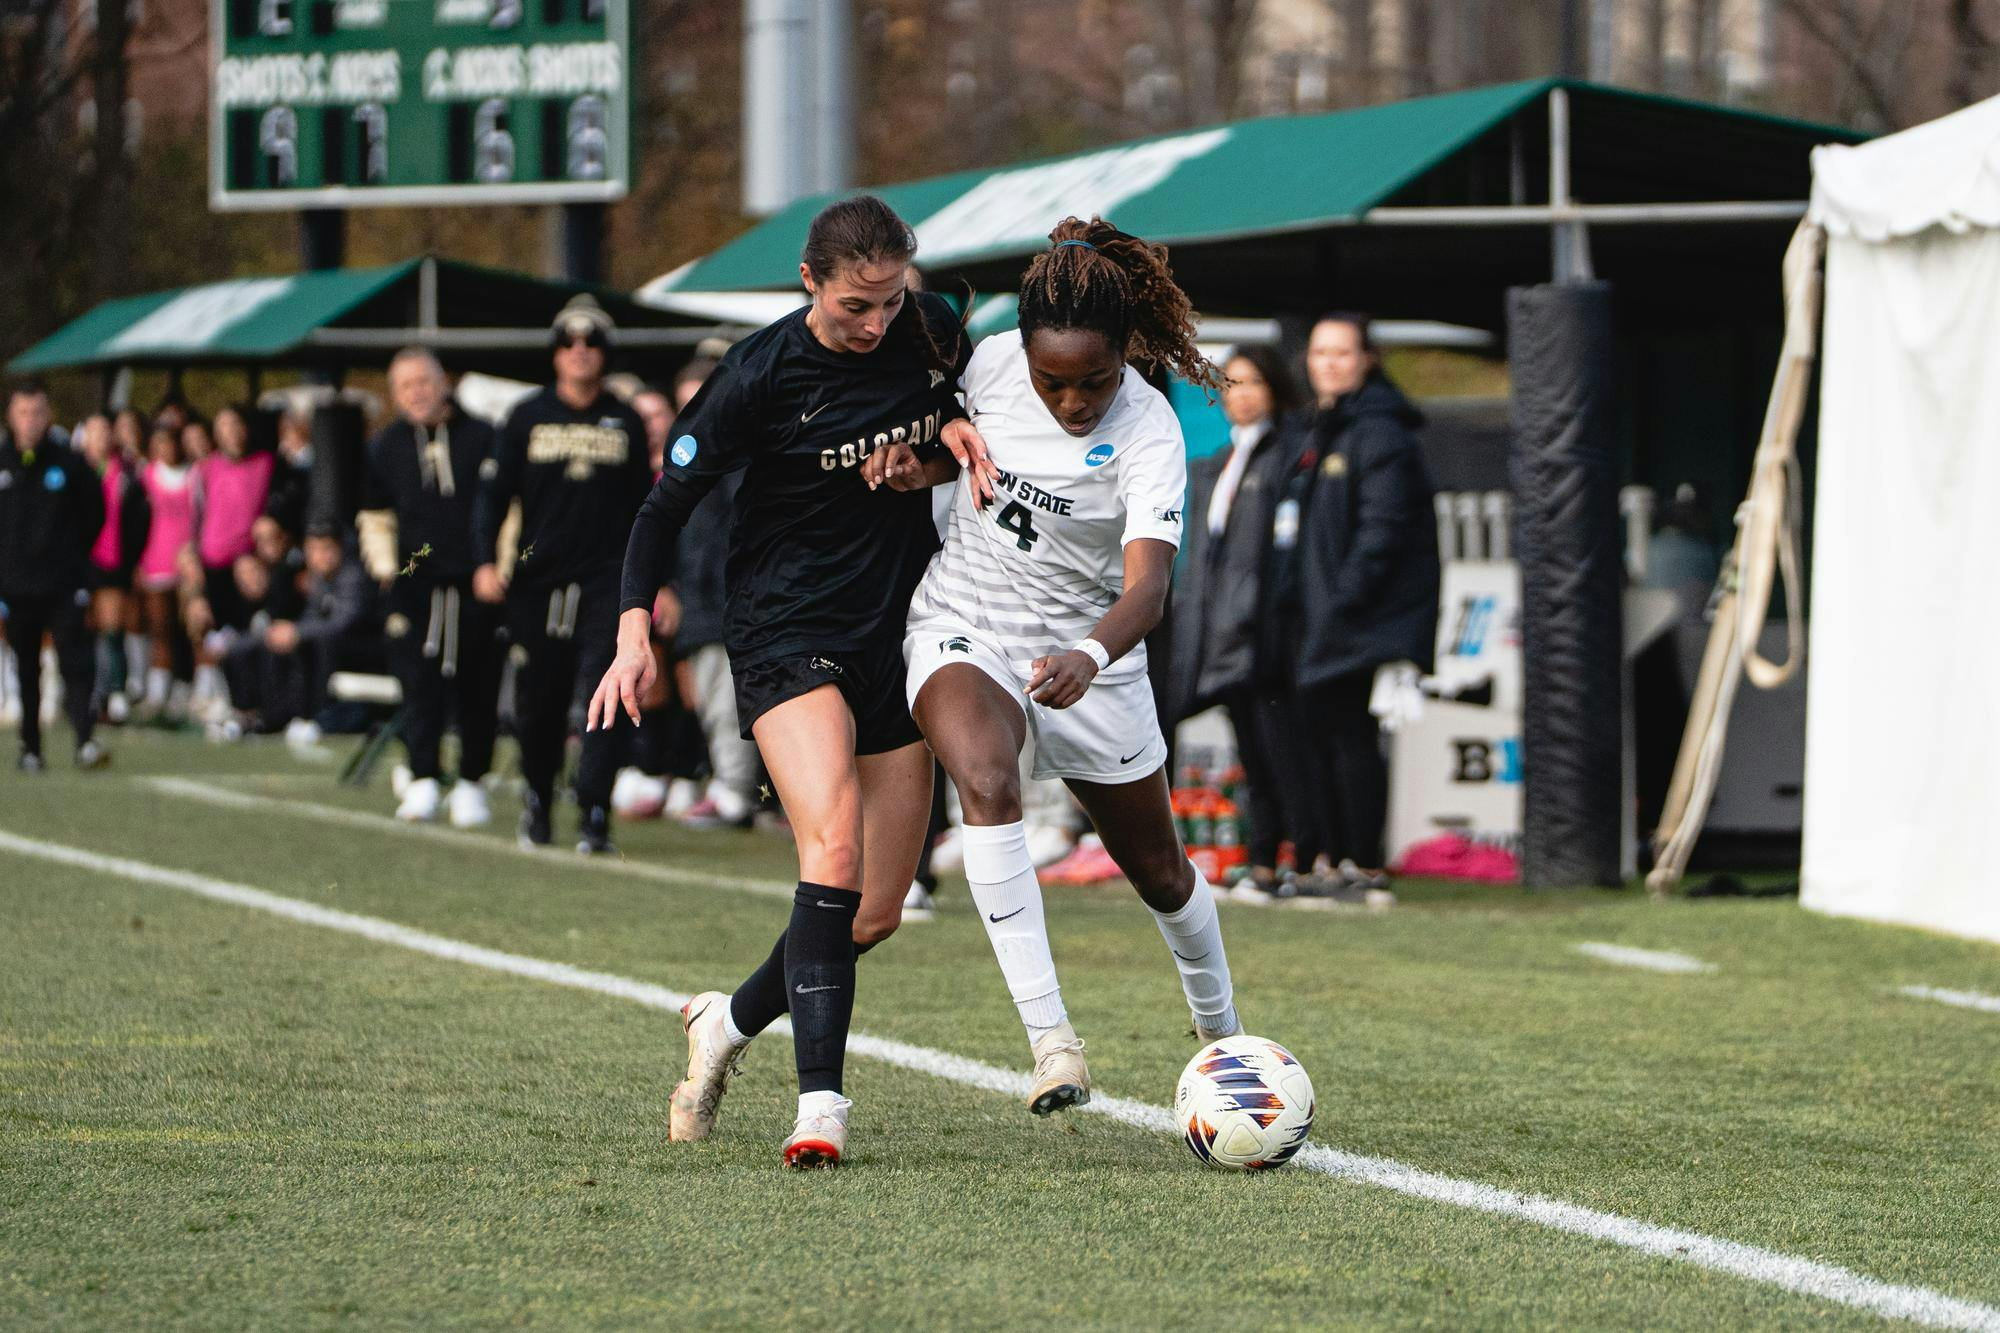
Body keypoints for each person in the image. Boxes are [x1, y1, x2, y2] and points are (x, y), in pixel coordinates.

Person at [588, 194, 971, 1168]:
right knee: (829, 844)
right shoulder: (754, 374)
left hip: (898, 630)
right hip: (783, 630)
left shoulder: (931, 331)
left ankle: (723, 1023)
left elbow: (973, 415)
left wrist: (933, 455)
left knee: (874, 912)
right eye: (855, 306)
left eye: (890, 302)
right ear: (809, 282)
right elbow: (660, 509)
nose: (877, 324)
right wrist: (634, 630)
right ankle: (819, 1108)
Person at [880, 217, 1244, 1112]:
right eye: (1053, 382)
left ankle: (1226, 1039)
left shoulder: (1152, 432)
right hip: (967, 621)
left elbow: (1149, 588)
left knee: (1162, 873)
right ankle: (1053, 1042)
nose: (1072, 400)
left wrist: (1088, 654)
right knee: (987, 780)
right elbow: (949, 445)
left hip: (1095, 658)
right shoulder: (994, 361)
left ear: (1127, 354)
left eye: (1093, 381)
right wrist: (912, 464)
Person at [473, 296, 652, 854]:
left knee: (607, 694)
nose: (580, 352)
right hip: (537, 580)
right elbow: (493, 497)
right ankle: (537, 800)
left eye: (592, 343)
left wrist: (654, 583)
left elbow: (648, 510)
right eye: (569, 343)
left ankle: (595, 809)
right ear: (555, 354)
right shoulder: (526, 415)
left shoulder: (624, 418)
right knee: (539, 701)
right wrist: (485, 561)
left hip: (607, 582)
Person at [1273, 313, 1439, 902]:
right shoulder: (1315, 429)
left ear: (1368, 358)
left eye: (1342, 352)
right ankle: (1328, 861)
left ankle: (1363, 864)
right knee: (1314, 738)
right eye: (1320, 353)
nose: (1330, 363)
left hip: (1356, 622)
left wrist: (1342, 603)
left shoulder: (1382, 432)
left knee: (1350, 739)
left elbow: (1384, 531)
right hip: (1308, 619)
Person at [1167, 345, 1323, 900]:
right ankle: (1261, 863)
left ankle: (1303, 861)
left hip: (1269, 636)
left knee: (1285, 753)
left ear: (1276, 389)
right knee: (1253, 757)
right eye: (1232, 383)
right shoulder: (1218, 462)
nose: (1242, 393)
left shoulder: (1291, 455)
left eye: (1254, 381)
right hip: (1222, 638)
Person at [359, 348, 505, 828]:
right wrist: (385, 569)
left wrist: (499, 565)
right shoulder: (385, 445)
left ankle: (471, 781)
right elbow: (375, 515)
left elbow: (508, 507)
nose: (417, 393)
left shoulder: (483, 436)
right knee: (418, 685)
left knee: (476, 687)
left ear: (444, 382)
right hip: (413, 586)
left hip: (474, 582)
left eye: (424, 381)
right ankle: (422, 776)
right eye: (405, 386)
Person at [0, 381, 108, 770]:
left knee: (75, 662)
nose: (30, 421)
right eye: (23, 412)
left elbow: (94, 514)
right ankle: (31, 747)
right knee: (25, 668)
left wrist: (74, 561)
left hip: (62, 583)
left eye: (37, 412)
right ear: (11, 416)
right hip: (14, 587)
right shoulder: (2, 462)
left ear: (49, 416)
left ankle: (84, 741)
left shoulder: (68, 463)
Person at [77, 412, 151, 723]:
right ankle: (86, 693)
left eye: (106, 431)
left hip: (113, 559)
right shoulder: (74, 469)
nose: (102, 438)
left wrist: (134, 560)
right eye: (95, 432)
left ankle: (117, 693)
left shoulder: (128, 472)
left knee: (112, 628)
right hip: (77, 561)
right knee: (81, 629)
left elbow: (139, 520)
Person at [134, 419, 196, 721]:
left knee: (194, 628)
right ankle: (158, 692)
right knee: (161, 629)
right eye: (159, 443)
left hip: (189, 563)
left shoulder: (195, 475)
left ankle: (197, 690)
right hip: (156, 561)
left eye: (169, 442)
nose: (165, 449)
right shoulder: (146, 476)